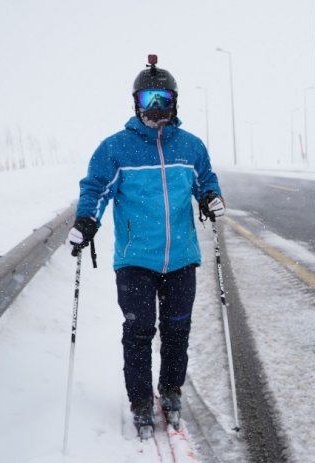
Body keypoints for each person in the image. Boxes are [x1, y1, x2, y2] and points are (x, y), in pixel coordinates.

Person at [67, 54, 224, 437]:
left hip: (182, 258)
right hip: (136, 260)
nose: (157, 108)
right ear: (136, 103)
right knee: (139, 332)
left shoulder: (191, 146)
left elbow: (205, 180)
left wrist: (210, 197)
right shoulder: (115, 148)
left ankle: (170, 390)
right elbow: (95, 189)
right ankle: (140, 401)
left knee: (177, 331)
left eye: (164, 100)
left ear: (175, 101)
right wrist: (87, 220)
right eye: (150, 100)